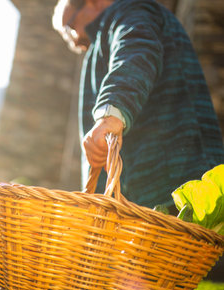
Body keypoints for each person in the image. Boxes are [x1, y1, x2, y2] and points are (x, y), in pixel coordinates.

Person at [53, 0, 224, 210]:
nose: (73, 42)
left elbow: (137, 50)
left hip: (180, 193)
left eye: (70, 27)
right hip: (144, 204)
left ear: (92, 3)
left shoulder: (131, 11)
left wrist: (111, 113)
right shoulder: (103, 38)